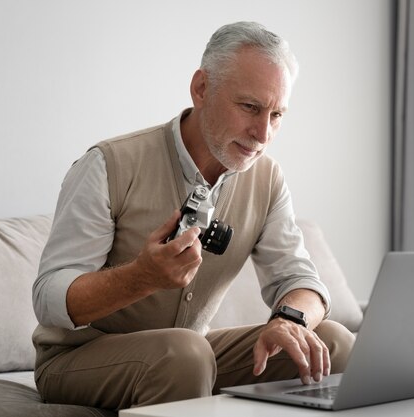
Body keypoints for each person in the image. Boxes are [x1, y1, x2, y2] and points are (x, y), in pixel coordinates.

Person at [32, 21, 355, 410]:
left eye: (276, 115)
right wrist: (140, 278)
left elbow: (300, 280)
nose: (263, 134)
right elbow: (49, 298)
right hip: (79, 359)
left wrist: (290, 319)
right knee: (185, 353)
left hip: (190, 353)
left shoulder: (267, 178)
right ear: (201, 88)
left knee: (334, 344)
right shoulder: (109, 163)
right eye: (251, 107)